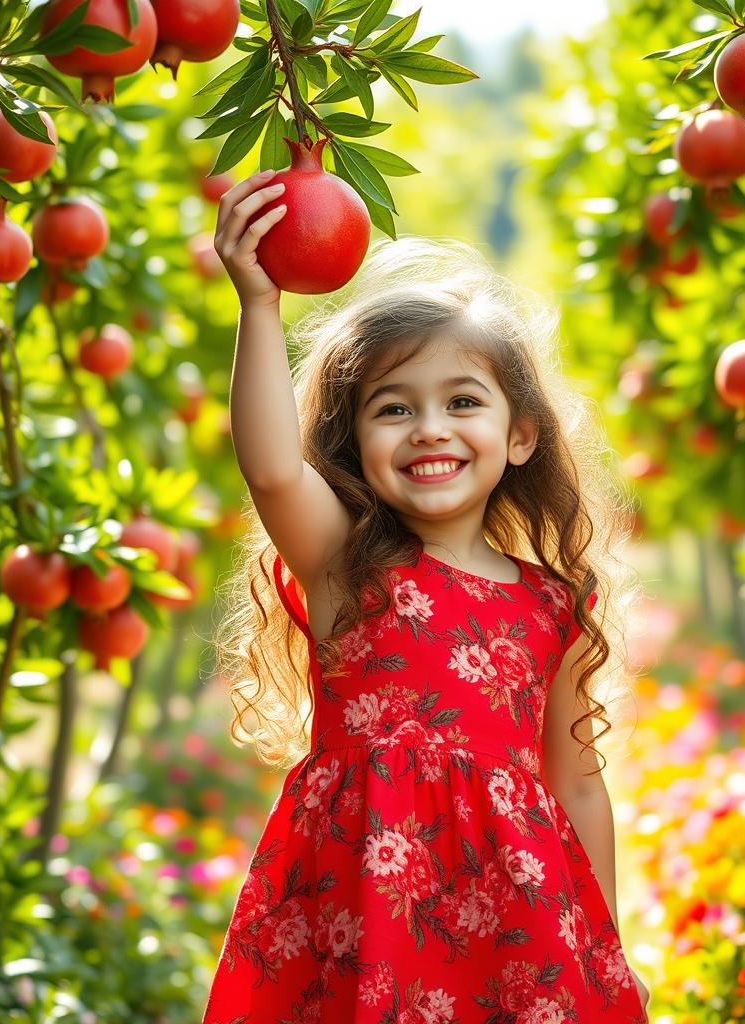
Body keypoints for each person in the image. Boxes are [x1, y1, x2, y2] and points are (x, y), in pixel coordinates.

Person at [201, 167, 651, 1022]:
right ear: (353, 439)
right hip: (361, 907)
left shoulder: (554, 606)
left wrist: (608, 949)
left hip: (514, 924)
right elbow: (267, 464)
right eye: (393, 409)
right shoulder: (346, 563)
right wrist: (259, 305)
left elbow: (579, 785)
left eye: (464, 401)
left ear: (520, 436)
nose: (431, 428)